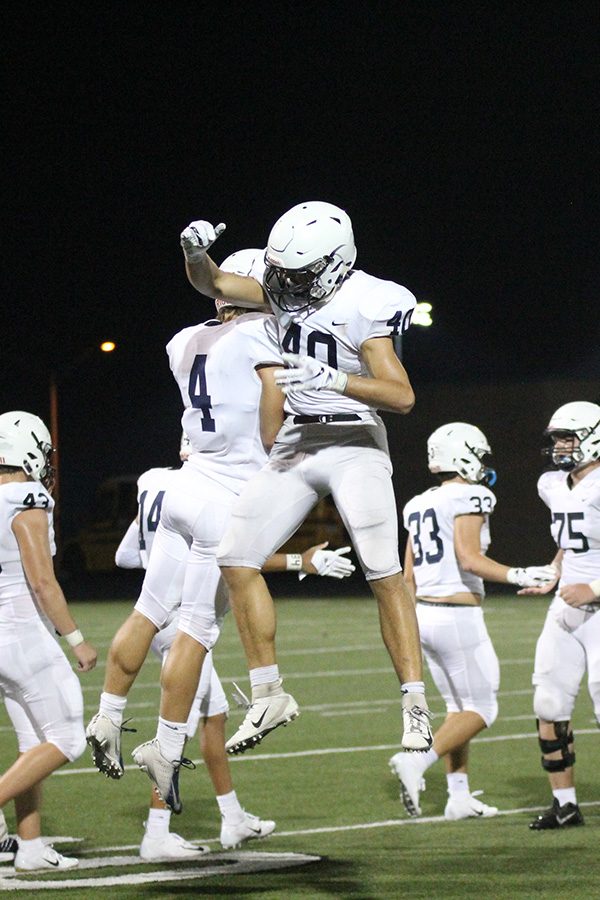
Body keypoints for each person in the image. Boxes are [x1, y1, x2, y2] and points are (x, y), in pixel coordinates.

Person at [85, 249, 354, 825]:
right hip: (227, 495)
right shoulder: (265, 334)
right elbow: (272, 406)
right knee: (196, 631)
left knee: (150, 609)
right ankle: (168, 744)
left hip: (186, 484)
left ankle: (108, 715)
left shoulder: (183, 342)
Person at [179, 202, 433, 758]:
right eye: (284, 274)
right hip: (299, 440)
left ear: (336, 263)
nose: (288, 286)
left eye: (300, 274)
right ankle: (269, 693)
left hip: (353, 440)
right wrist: (194, 252)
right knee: (235, 555)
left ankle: (415, 706)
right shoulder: (292, 286)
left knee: (383, 569)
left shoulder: (366, 301)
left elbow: (403, 396)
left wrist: (336, 379)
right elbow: (215, 282)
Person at [113, 435, 353, 858]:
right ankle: (156, 833)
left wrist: (164, 566)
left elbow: (125, 556)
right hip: (185, 624)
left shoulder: (155, 484)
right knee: (175, 730)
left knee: (214, 716)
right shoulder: (211, 491)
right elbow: (239, 556)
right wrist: (304, 561)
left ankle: (232, 818)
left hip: (157, 613)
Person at [387, 423, 557, 819]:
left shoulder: (418, 503)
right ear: (465, 454)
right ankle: (416, 761)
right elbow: (469, 558)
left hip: (423, 613)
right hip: (456, 616)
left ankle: (458, 796)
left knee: (456, 707)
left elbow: (407, 576)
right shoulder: (473, 495)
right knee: (483, 709)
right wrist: (519, 573)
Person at [0, 411, 97, 871]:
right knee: (68, 739)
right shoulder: (27, 500)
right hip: (22, 633)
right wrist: (76, 638)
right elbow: (43, 582)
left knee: (33, 743)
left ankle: (31, 848)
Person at [518, 401, 600, 831]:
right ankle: (565, 804)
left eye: (569, 437)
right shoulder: (552, 484)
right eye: (556, 439)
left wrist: (595, 587)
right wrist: (554, 573)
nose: (561, 446)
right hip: (567, 608)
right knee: (548, 702)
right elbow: (571, 545)